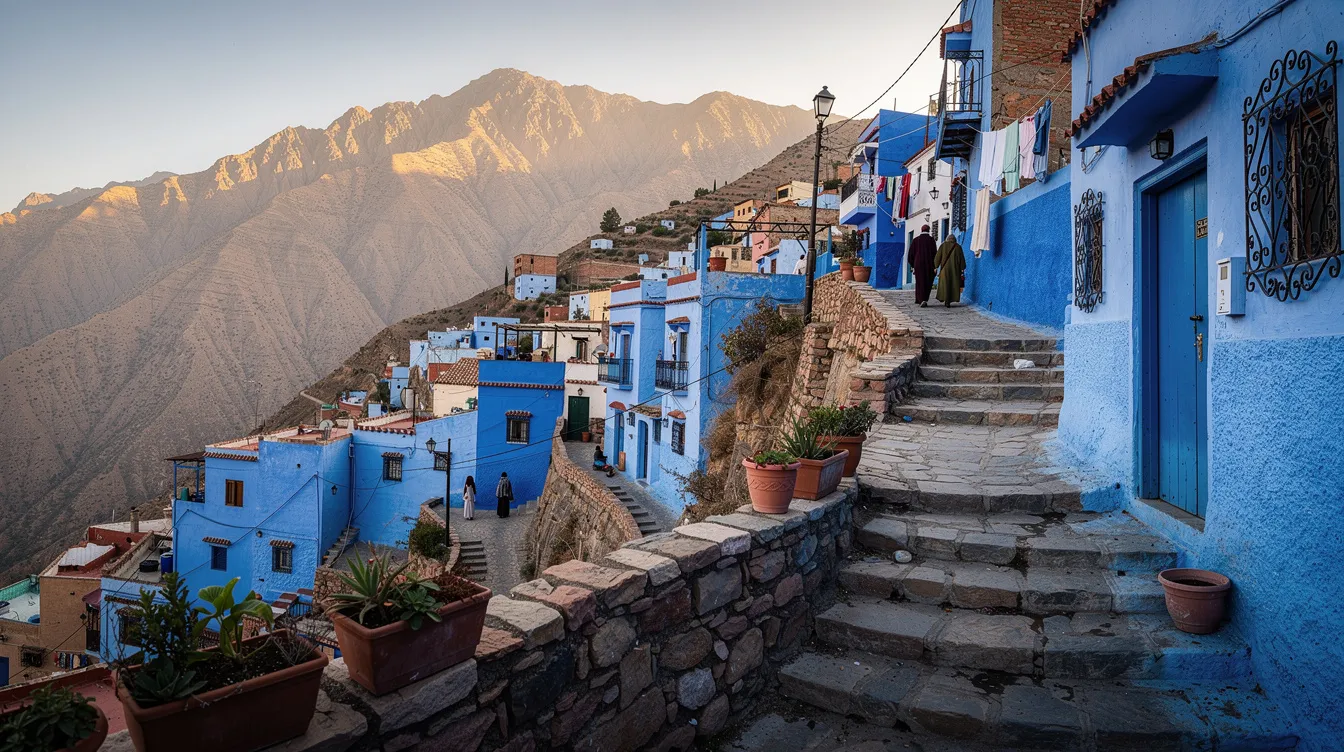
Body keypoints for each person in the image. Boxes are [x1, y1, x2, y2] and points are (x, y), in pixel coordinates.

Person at [907, 225, 937, 306]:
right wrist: (935, 266)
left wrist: (913, 265)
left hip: (918, 264)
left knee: (919, 281)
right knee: (927, 281)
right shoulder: (931, 240)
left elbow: (910, 254)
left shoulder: (915, 240)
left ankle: (919, 299)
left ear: (921, 230)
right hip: (929, 264)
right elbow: (935, 254)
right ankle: (924, 299)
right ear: (929, 230)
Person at [934, 232, 967, 307]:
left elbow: (937, 257)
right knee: (953, 285)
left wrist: (936, 266)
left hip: (944, 270)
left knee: (945, 285)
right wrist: (962, 268)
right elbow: (962, 259)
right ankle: (950, 300)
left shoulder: (943, 246)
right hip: (955, 270)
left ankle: (945, 299)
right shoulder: (958, 247)